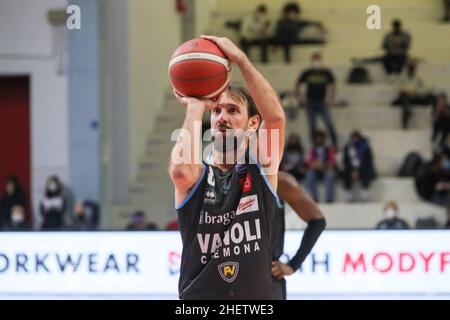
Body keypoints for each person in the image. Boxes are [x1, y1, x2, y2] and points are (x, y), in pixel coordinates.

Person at [169, 35, 285, 300]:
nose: (222, 118)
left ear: (253, 123)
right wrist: (196, 107)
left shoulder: (261, 169)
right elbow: (179, 172)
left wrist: (241, 60)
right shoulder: (197, 174)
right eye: (217, 111)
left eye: (233, 110)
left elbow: (276, 117)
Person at [271, 171, 326, 300]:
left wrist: (293, 265)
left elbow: (317, 221)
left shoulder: (279, 181)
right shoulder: (220, 181)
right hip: (228, 276)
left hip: (266, 278)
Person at [295, 52, 338, 147]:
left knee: (329, 123)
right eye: (315, 59)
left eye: (318, 59)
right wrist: (300, 99)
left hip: (322, 102)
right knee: (312, 126)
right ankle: (314, 147)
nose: (316, 62)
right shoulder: (307, 73)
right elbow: (297, 85)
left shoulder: (326, 73)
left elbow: (333, 86)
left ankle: (335, 145)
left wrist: (331, 99)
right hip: (310, 103)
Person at [342, 130, 376, 202]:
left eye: (356, 137)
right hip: (351, 169)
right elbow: (345, 162)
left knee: (366, 172)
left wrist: (358, 170)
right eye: (353, 137)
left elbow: (368, 162)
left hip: (363, 168)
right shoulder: (348, 148)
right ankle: (348, 193)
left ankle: (365, 192)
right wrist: (352, 171)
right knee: (345, 172)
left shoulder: (366, 148)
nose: (355, 139)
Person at [305, 130, 337, 203]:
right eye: (317, 138)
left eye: (320, 138)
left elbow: (332, 162)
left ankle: (329, 198)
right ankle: (314, 197)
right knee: (309, 174)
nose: (319, 139)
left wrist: (323, 165)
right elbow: (309, 162)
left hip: (326, 169)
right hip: (315, 171)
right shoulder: (312, 150)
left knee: (330, 174)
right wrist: (316, 165)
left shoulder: (329, 150)